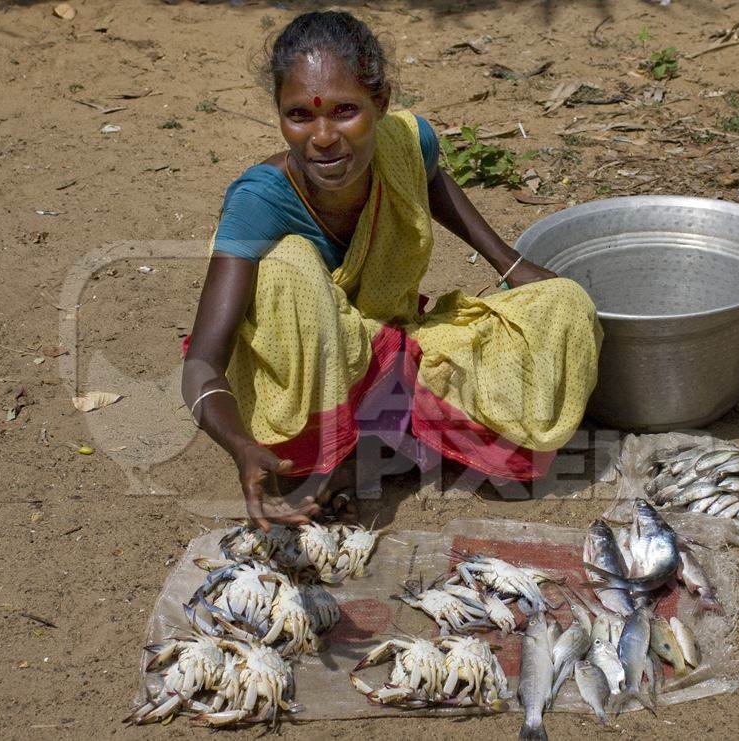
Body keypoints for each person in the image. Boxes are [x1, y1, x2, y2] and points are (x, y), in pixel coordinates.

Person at [182, 11, 601, 532]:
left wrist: (509, 262)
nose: (323, 136)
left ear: (379, 105)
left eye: (345, 111)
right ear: (279, 114)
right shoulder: (257, 202)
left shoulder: (403, 142)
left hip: (388, 348)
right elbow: (202, 363)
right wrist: (241, 447)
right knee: (287, 269)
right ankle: (346, 454)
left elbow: (429, 177)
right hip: (304, 383)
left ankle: (374, 451)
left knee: (562, 305)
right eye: (300, 115)